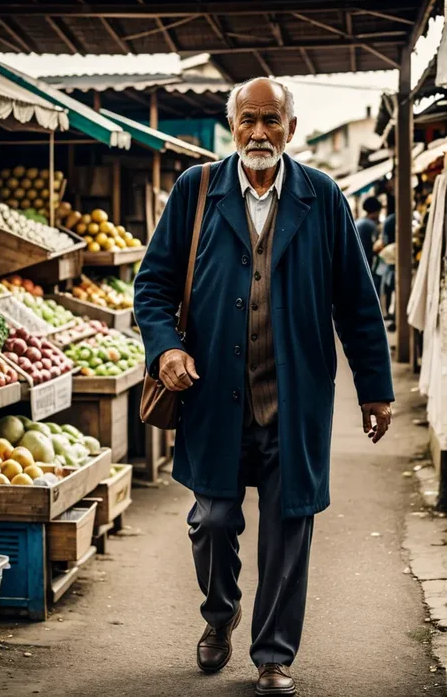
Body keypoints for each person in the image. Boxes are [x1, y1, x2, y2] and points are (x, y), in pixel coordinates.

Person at [134, 78, 394, 696]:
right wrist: (165, 347)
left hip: (294, 400)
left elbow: (357, 304)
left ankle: (273, 656)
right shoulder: (196, 191)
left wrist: (375, 389)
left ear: (291, 129)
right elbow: (152, 286)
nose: (258, 133)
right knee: (214, 520)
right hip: (213, 396)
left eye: (271, 121)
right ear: (232, 126)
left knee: (289, 528)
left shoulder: (322, 196)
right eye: (247, 120)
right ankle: (219, 615)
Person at [355, 196, 382, 271]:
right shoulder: (370, 225)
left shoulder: (358, 222)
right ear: (376, 211)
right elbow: (376, 247)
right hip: (363, 261)